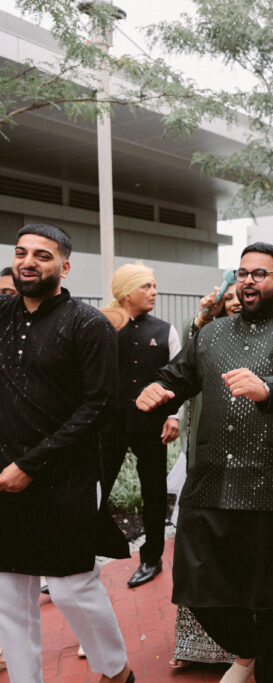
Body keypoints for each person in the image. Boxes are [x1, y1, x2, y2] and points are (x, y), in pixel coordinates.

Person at [135, 242, 273, 683]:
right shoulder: (211, 333)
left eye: (260, 273)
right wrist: (157, 389)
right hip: (211, 485)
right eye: (242, 272)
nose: (248, 281)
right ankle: (250, 653)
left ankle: (270, 669)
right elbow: (177, 376)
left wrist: (271, 391)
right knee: (198, 591)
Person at [0, 224, 133, 683]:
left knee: (72, 586)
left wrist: (30, 465)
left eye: (42, 255)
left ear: (65, 266)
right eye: (20, 253)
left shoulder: (87, 323)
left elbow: (98, 407)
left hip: (67, 477)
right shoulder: (3, 314)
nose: (28, 262)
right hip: (5, 477)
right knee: (9, 593)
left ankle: (116, 671)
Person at [101, 262, 183, 588]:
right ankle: (79, 556)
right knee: (93, 492)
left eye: (154, 285)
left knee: (153, 493)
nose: (154, 292)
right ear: (125, 292)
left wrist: (173, 415)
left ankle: (151, 559)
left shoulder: (166, 330)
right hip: (107, 425)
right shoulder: (101, 325)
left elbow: (179, 375)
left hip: (152, 425)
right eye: (146, 286)